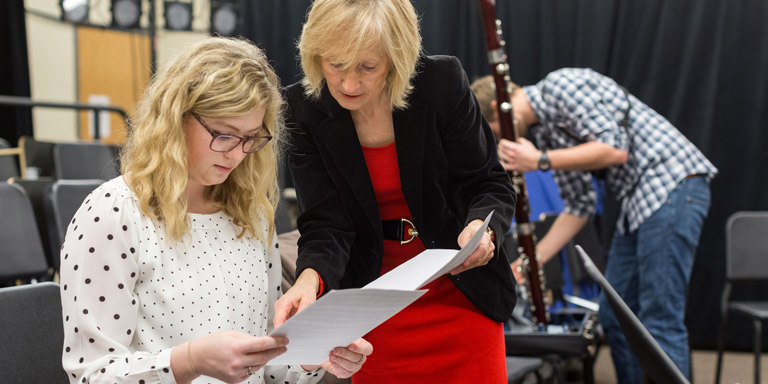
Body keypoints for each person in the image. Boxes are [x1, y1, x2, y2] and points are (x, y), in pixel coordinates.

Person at [59, 37, 372, 384]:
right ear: (176, 119)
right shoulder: (113, 214)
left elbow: (269, 365)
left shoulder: (250, 216)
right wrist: (189, 361)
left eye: (251, 138)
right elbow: (92, 375)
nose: (237, 155)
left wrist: (313, 359)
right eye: (224, 135)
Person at [274, 0, 518, 382]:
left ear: (397, 58)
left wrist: (482, 230)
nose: (349, 83)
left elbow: (489, 183)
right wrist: (308, 279)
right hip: (374, 304)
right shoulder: (304, 109)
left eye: (367, 67)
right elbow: (326, 224)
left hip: (461, 294)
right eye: (335, 64)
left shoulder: (440, 84)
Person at [497, 67, 717, 383]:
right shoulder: (546, 133)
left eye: (493, 130)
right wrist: (531, 262)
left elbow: (614, 149)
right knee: (615, 317)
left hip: (671, 186)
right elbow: (580, 206)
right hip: (640, 203)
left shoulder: (561, 85)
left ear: (496, 108)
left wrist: (540, 161)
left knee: (660, 318)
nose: (500, 140)